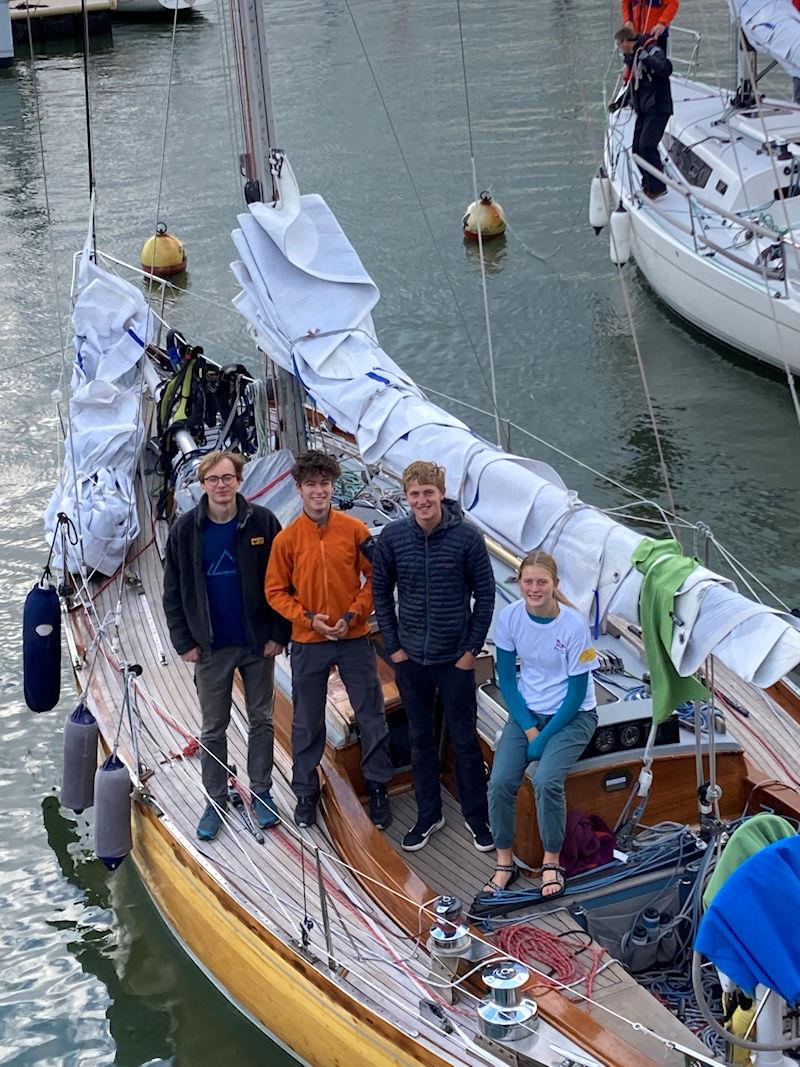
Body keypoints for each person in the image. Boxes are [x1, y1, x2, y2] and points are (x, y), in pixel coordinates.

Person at [163, 450, 291, 842]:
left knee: (262, 720)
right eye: (214, 479)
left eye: (228, 478)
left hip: (256, 644)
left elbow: (285, 581)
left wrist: (279, 634)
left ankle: (262, 792)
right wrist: (184, 641)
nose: (222, 485)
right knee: (213, 727)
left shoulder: (263, 522)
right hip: (210, 647)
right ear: (203, 485)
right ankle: (216, 799)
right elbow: (172, 591)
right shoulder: (185, 530)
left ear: (239, 481)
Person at [264, 450, 394, 830]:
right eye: (311, 485)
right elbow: (274, 591)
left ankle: (379, 787)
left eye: (324, 484)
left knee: (371, 717)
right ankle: (306, 791)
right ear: (300, 489)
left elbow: (377, 578)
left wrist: (354, 614)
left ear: (332, 486)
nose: (318, 491)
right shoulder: (287, 540)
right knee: (306, 722)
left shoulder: (354, 530)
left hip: (353, 638)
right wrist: (309, 620)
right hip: (308, 641)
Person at [372, 461, 495, 853]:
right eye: (415, 494)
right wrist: (395, 648)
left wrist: (469, 651)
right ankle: (429, 814)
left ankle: (477, 816)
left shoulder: (467, 539)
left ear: (441, 493)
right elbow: (380, 594)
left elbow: (486, 596)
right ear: (406, 497)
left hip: (454, 661)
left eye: (429, 492)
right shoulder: (392, 538)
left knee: (464, 741)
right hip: (411, 662)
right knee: (420, 740)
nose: (422, 500)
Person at [484, 551, 598, 899]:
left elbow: (577, 694)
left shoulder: (574, 626)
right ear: (519, 583)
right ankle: (505, 861)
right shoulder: (509, 618)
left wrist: (544, 737)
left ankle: (552, 860)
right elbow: (505, 678)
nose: (534, 589)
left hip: (573, 716)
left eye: (541, 582)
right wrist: (530, 729)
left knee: (548, 781)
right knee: (500, 781)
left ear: (555, 586)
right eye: (528, 581)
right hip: (528, 713)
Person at [611, 26, 674, 200]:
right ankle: (649, 184)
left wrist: (648, 59)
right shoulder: (632, 58)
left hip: (658, 107)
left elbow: (666, 68)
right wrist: (619, 103)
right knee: (637, 150)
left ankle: (657, 187)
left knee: (647, 145)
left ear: (625, 42)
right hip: (645, 108)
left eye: (619, 44)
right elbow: (634, 85)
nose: (619, 48)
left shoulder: (650, 50)